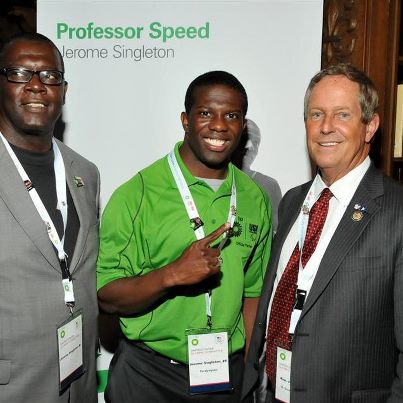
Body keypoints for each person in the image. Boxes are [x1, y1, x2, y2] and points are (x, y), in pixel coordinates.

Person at [97, 70, 272, 402]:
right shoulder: (137, 194)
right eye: (206, 112)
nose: (219, 125)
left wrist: (248, 366)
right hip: (148, 375)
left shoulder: (254, 197)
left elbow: (253, 291)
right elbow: (106, 296)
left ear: (242, 125)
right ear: (186, 120)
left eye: (231, 115)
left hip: (224, 375)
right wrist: (171, 275)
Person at [242, 64, 403, 403]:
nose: (326, 127)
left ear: (370, 126)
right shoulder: (291, 201)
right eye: (316, 114)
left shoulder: (396, 210)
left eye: (342, 114)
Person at [0, 33, 100, 402]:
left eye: (50, 76)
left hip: (79, 381)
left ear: (64, 89)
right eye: (20, 73)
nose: (37, 86)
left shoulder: (85, 173)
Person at [232, 118, 282, 232]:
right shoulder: (211, 179)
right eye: (244, 139)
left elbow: (277, 233)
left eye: (255, 142)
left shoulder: (268, 185)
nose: (250, 146)